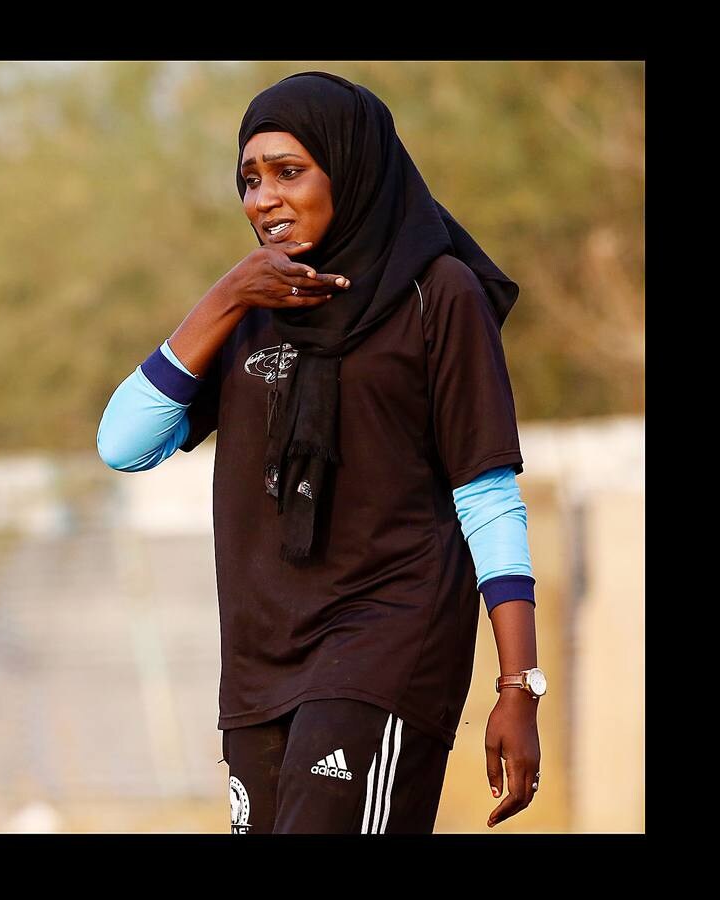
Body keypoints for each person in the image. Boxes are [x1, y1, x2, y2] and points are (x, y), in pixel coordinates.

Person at [97, 73, 544, 834]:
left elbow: (486, 494)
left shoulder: (439, 294)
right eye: (248, 178)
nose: (263, 198)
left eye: (287, 172)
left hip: (386, 645)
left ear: (352, 167)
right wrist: (224, 300)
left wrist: (517, 687)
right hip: (259, 661)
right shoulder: (249, 309)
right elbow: (124, 445)